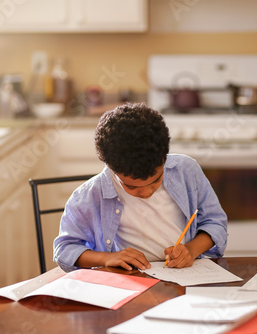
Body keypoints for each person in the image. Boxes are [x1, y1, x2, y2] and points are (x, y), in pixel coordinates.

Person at [53, 102, 227, 272]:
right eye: (131, 186)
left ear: (164, 158)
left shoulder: (187, 171)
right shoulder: (89, 195)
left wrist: (190, 250)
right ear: (112, 169)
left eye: (155, 181)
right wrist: (107, 258)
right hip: (127, 282)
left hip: (184, 276)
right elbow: (64, 250)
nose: (145, 192)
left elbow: (215, 222)